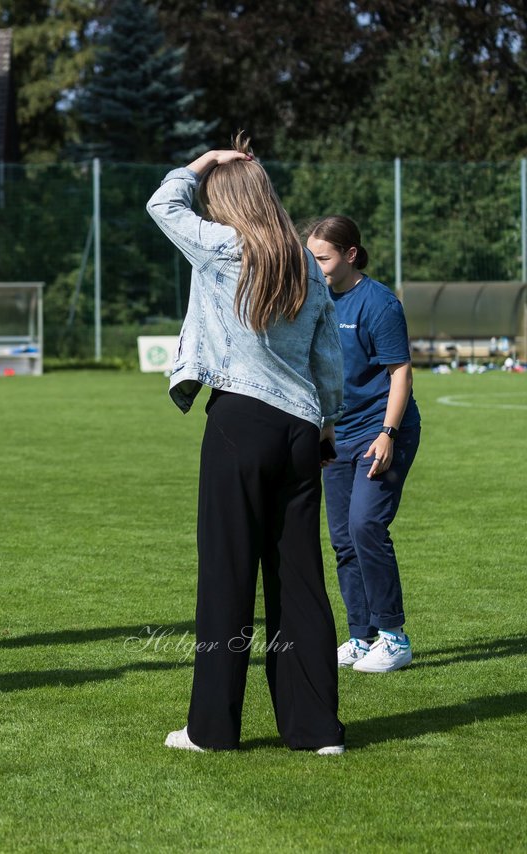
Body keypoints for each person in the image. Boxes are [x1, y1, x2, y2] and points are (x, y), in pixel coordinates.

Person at [146, 134, 347, 754]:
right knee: (301, 580)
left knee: (227, 576)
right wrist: (327, 425)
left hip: (239, 422)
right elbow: (328, 361)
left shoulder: (224, 246)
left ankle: (211, 730)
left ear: (226, 200)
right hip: (300, 432)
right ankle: (316, 731)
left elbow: (162, 205)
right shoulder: (306, 263)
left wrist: (200, 163)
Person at [307, 216, 421, 673]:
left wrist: (388, 434)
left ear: (350, 254)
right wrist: (324, 429)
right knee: (342, 539)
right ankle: (361, 636)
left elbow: (401, 374)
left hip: (383, 431)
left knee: (366, 526)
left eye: (323, 258)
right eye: (310, 258)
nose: (316, 268)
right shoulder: (316, 299)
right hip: (338, 432)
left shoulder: (379, 304)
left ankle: (394, 637)